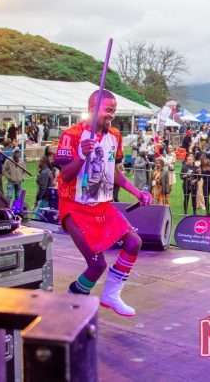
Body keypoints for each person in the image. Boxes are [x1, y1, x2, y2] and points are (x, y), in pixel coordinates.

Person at [55, 89, 152, 316]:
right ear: (92, 109)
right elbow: (65, 175)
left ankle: (111, 294)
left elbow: (113, 171)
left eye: (114, 111)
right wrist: (82, 155)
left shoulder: (115, 136)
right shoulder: (71, 134)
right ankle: (73, 300)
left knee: (133, 242)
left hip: (102, 205)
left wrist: (136, 192)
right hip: (75, 207)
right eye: (108, 110)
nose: (111, 115)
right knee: (97, 265)